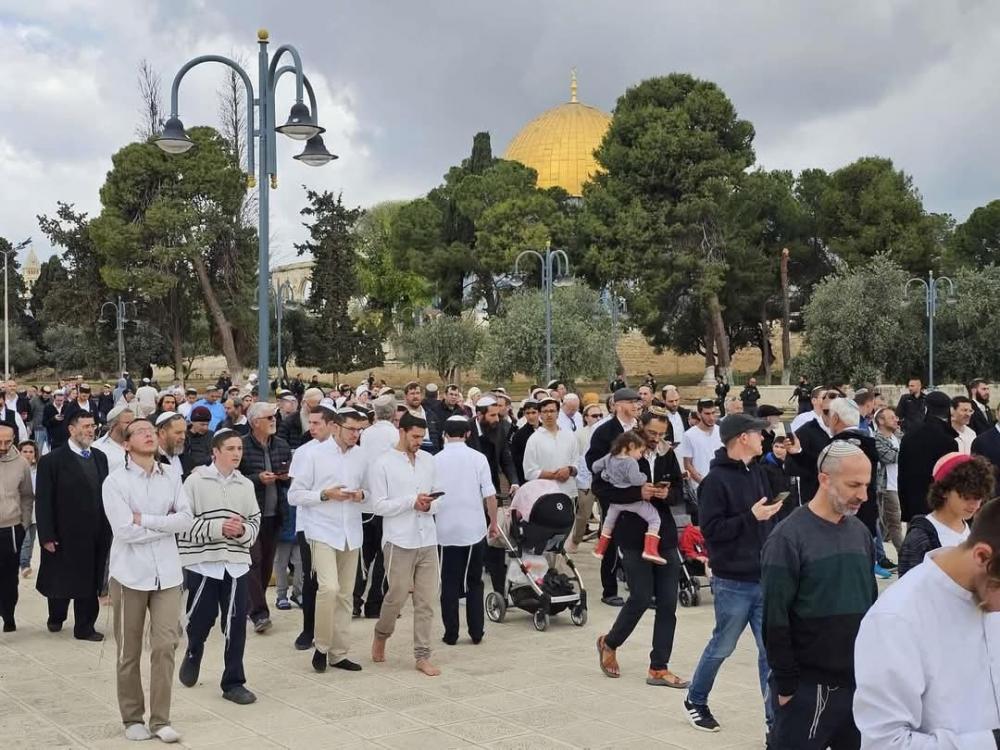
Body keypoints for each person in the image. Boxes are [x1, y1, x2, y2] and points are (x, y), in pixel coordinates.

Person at [853, 497, 1000, 747]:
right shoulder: (896, 619)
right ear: (982, 556)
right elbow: (885, 743)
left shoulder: (989, 590)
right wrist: (990, 743)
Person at [761, 441, 878, 749]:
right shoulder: (787, 538)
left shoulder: (860, 533)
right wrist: (787, 686)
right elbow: (774, 619)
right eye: (853, 485)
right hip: (806, 688)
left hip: (856, 686)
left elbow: (871, 606)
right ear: (825, 479)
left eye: (866, 485)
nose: (863, 495)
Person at [683, 413, 785, 733]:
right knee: (723, 645)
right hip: (733, 580)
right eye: (758, 433)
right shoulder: (714, 482)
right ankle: (695, 699)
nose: (763, 438)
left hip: (764, 576)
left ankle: (774, 723)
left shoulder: (758, 472)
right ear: (743, 437)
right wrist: (751, 517)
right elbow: (712, 531)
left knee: (770, 652)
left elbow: (766, 517)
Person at [103, 417, 193, 742]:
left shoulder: (171, 476)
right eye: (140, 432)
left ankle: (161, 719)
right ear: (126, 444)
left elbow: (185, 519)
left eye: (151, 431)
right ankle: (132, 717)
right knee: (128, 651)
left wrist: (147, 520)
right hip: (130, 575)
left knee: (165, 645)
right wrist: (164, 524)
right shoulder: (115, 482)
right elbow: (124, 530)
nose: (148, 435)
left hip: (167, 573)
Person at [595, 410, 687, 688]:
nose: (656, 439)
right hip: (632, 533)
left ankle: (659, 667)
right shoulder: (624, 450)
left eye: (662, 434)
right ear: (640, 428)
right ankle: (610, 642)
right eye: (652, 433)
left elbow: (679, 491)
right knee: (641, 596)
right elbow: (601, 488)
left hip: (663, 533)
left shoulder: (667, 453)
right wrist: (637, 493)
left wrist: (666, 494)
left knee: (668, 602)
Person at [178, 429, 261, 705]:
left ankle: (234, 682)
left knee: (236, 623)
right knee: (200, 619)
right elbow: (182, 524)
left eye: (240, 448)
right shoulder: (195, 481)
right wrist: (218, 528)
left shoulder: (245, 485)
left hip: (236, 564)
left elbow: (254, 521)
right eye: (230, 449)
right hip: (203, 563)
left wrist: (242, 532)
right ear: (215, 452)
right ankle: (194, 650)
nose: (237, 453)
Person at [288, 406, 370, 673]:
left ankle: (338, 653)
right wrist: (324, 495)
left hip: (351, 533)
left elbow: (371, 492)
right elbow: (294, 495)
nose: (355, 434)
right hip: (321, 530)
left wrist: (362, 495)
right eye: (351, 429)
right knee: (329, 589)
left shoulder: (362, 456)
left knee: (346, 595)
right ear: (336, 427)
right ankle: (321, 647)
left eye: (359, 430)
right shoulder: (313, 454)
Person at [368, 413, 442, 676]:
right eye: (415, 436)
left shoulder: (429, 460)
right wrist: (411, 501)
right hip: (398, 540)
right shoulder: (383, 463)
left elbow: (440, 497)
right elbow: (378, 506)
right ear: (402, 432)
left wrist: (429, 505)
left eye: (422, 437)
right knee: (397, 594)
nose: (419, 441)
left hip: (428, 538)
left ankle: (422, 655)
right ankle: (381, 634)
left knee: (426, 601)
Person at [35, 410, 110, 640]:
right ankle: (56, 616)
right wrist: (46, 535)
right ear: (71, 429)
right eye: (85, 426)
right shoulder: (51, 461)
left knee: (89, 581)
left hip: (95, 532)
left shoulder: (100, 457)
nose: (91, 430)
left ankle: (85, 627)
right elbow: (43, 501)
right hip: (64, 533)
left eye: (93, 426)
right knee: (61, 581)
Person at [433, 416, 498, 646]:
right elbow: (490, 495)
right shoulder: (478, 458)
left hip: (445, 528)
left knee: (449, 581)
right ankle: (476, 631)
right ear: (468, 434)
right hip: (474, 527)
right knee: (474, 581)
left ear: (445, 434)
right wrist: (493, 522)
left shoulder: (435, 460)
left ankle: (451, 633)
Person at [239, 401, 292, 634]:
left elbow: (291, 477)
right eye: (269, 417)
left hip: (275, 514)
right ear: (254, 422)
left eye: (274, 416)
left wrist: (286, 477)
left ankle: (250, 606)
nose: (274, 421)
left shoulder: (281, 445)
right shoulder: (241, 446)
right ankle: (260, 613)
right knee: (253, 561)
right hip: (249, 516)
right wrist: (257, 479)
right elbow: (233, 479)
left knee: (266, 565)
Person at [586, 387, 642, 606]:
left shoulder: (641, 428)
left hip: (639, 490)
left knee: (640, 538)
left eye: (637, 402)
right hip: (612, 493)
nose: (636, 406)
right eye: (631, 402)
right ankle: (609, 590)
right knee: (610, 539)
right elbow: (593, 462)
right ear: (618, 405)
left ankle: (641, 588)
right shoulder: (605, 431)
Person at [897, 453, 994, 577]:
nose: (974, 505)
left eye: (979, 497)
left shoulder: (974, 530)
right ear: (944, 491)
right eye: (966, 497)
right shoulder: (920, 538)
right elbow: (907, 585)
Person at [288, 405, 334, 650]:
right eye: (310, 422)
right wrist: (322, 496)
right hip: (309, 525)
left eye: (317, 423)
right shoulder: (304, 452)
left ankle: (330, 630)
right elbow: (296, 492)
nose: (312, 428)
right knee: (312, 577)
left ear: (331, 425)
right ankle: (308, 629)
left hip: (338, 526)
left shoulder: (347, 452)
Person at [467, 396, 520, 594]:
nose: (497, 419)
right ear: (479, 415)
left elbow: (505, 458)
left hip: (492, 491)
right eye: (492, 415)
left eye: (498, 415)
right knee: (475, 540)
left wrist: (513, 480)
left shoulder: (499, 429)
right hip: (470, 494)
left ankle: (499, 591)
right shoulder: (466, 430)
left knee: (495, 536)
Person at [592, 431, 666, 564]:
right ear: (631, 446)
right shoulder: (631, 462)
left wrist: (605, 473)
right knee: (654, 518)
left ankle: (600, 549)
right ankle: (650, 549)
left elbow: (595, 466)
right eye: (640, 451)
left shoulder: (610, 457)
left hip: (615, 502)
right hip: (632, 501)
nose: (641, 455)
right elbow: (636, 480)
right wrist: (644, 477)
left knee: (608, 523)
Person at [353, 396, 396, 619]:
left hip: (365, 503)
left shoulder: (366, 434)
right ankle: (375, 604)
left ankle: (354, 600)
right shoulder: (395, 435)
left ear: (375, 413)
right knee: (384, 557)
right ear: (394, 412)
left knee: (364, 555)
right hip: (386, 504)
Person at [898, 390, 959, 522]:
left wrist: (905, 509)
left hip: (913, 505)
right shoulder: (949, 441)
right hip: (939, 507)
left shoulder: (909, 437)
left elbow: (902, 475)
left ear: (925, 408)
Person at [0, 425, 32, 631]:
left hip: (11, 528)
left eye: (8, 442)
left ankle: (8, 613)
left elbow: (27, 495)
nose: (3, 446)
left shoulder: (21, 463)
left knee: (9, 577)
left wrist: (24, 523)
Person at [568, 403, 603, 552]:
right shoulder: (579, 434)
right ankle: (575, 540)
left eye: (600, 415)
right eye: (594, 416)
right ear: (586, 418)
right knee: (583, 513)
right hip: (585, 478)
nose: (598, 418)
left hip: (603, 477)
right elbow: (575, 456)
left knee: (606, 512)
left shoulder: (605, 432)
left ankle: (603, 542)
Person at [873, 407, 904, 554]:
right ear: (880, 420)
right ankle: (903, 554)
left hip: (900, 485)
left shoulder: (898, 437)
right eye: (892, 417)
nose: (896, 420)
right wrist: (904, 452)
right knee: (895, 523)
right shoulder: (876, 439)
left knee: (887, 524)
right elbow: (889, 457)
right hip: (887, 487)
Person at [678, 399, 723, 491]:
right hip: (700, 487)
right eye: (707, 414)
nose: (711, 417)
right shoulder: (689, 435)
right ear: (699, 414)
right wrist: (703, 483)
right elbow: (688, 464)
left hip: (720, 485)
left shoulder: (721, 431)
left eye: (713, 413)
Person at [93, 404, 135, 475]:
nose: (132, 426)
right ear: (113, 424)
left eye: (133, 422)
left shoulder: (139, 445)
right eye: (127, 422)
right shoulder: (97, 448)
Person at [17, 440, 38, 579]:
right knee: (26, 539)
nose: (28, 454)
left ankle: (26, 562)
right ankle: (24, 564)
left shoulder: (39, 470)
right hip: (20, 510)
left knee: (32, 539)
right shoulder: (15, 470)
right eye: (25, 451)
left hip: (35, 510)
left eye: (31, 451)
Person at [509, 398, 540, 484]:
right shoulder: (519, 435)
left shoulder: (545, 430)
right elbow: (517, 461)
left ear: (539, 413)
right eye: (528, 413)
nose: (531, 416)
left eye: (533, 412)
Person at [181, 406, 213, 478]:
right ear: (193, 422)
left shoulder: (211, 435)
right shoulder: (184, 437)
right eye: (202, 424)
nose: (205, 428)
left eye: (207, 424)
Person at [155, 412, 187, 479]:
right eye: (178, 433)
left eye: (184, 432)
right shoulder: (151, 459)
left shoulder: (186, 456)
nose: (183, 437)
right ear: (162, 433)